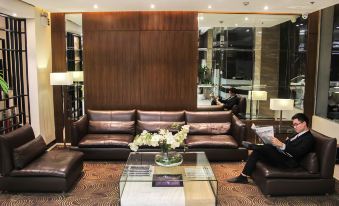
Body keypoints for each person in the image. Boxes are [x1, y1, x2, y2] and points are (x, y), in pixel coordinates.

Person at [227, 113, 314, 184]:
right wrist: (279, 144)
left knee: (267, 147)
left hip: (289, 162)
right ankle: (243, 176)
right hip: (283, 156)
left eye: (296, 124)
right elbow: (288, 146)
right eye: (293, 125)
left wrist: (282, 145)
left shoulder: (309, 138)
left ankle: (252, 146)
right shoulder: (297, 134)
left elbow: (298, 152)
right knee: (258, 151)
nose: (294, 127)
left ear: (304, 123)